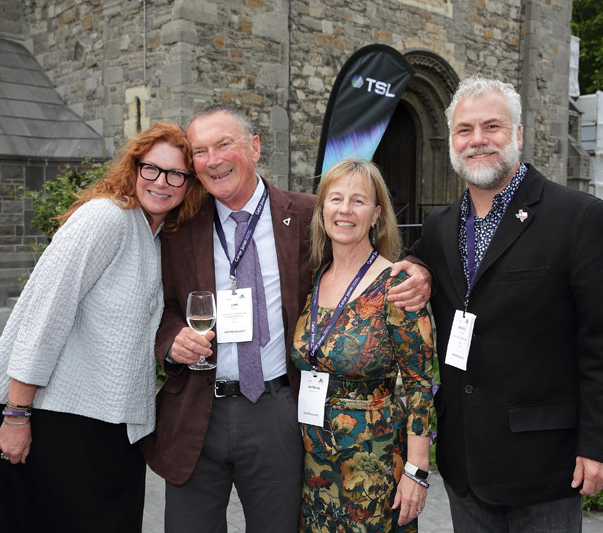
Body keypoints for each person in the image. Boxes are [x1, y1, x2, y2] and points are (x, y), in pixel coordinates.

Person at [139, 105, 432, 532]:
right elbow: (161, 305)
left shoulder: (309, 215)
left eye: (224, 145)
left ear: (254, 148)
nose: (213, 160)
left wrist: (420, 272)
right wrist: (172, 340)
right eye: (200, 151)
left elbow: (363, 254)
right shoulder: (180, 225)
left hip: (277, 409)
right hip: (197, 410)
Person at [409, 76, 603, 532]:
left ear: (518, 134)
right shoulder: (439, 226)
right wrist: (416, 268)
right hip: (464, 462)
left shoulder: (578, 218)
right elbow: (417, 262)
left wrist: (601, 445)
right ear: (452, 142)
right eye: (464, 130)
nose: (477, 140)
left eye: (491, 126)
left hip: (544, 466)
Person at [0, 122, 204, 532]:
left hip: (112, 427)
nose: (161, 182)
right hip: (58, 421)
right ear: (134, 167)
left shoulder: (156, 235)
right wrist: (16, 415)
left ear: (190, 185)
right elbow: (44, 316)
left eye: (176, 175)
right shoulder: (106, 217)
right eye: (152, 168)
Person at [290, 158, 434, 532]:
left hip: (372, 468)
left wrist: (417, 472)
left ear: (376, 215)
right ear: (322, 210)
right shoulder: (314, 278)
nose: (345, 210)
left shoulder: (396, 285)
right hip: (313, 463)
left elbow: (420, 386)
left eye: (358, 201)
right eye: (336, 199)